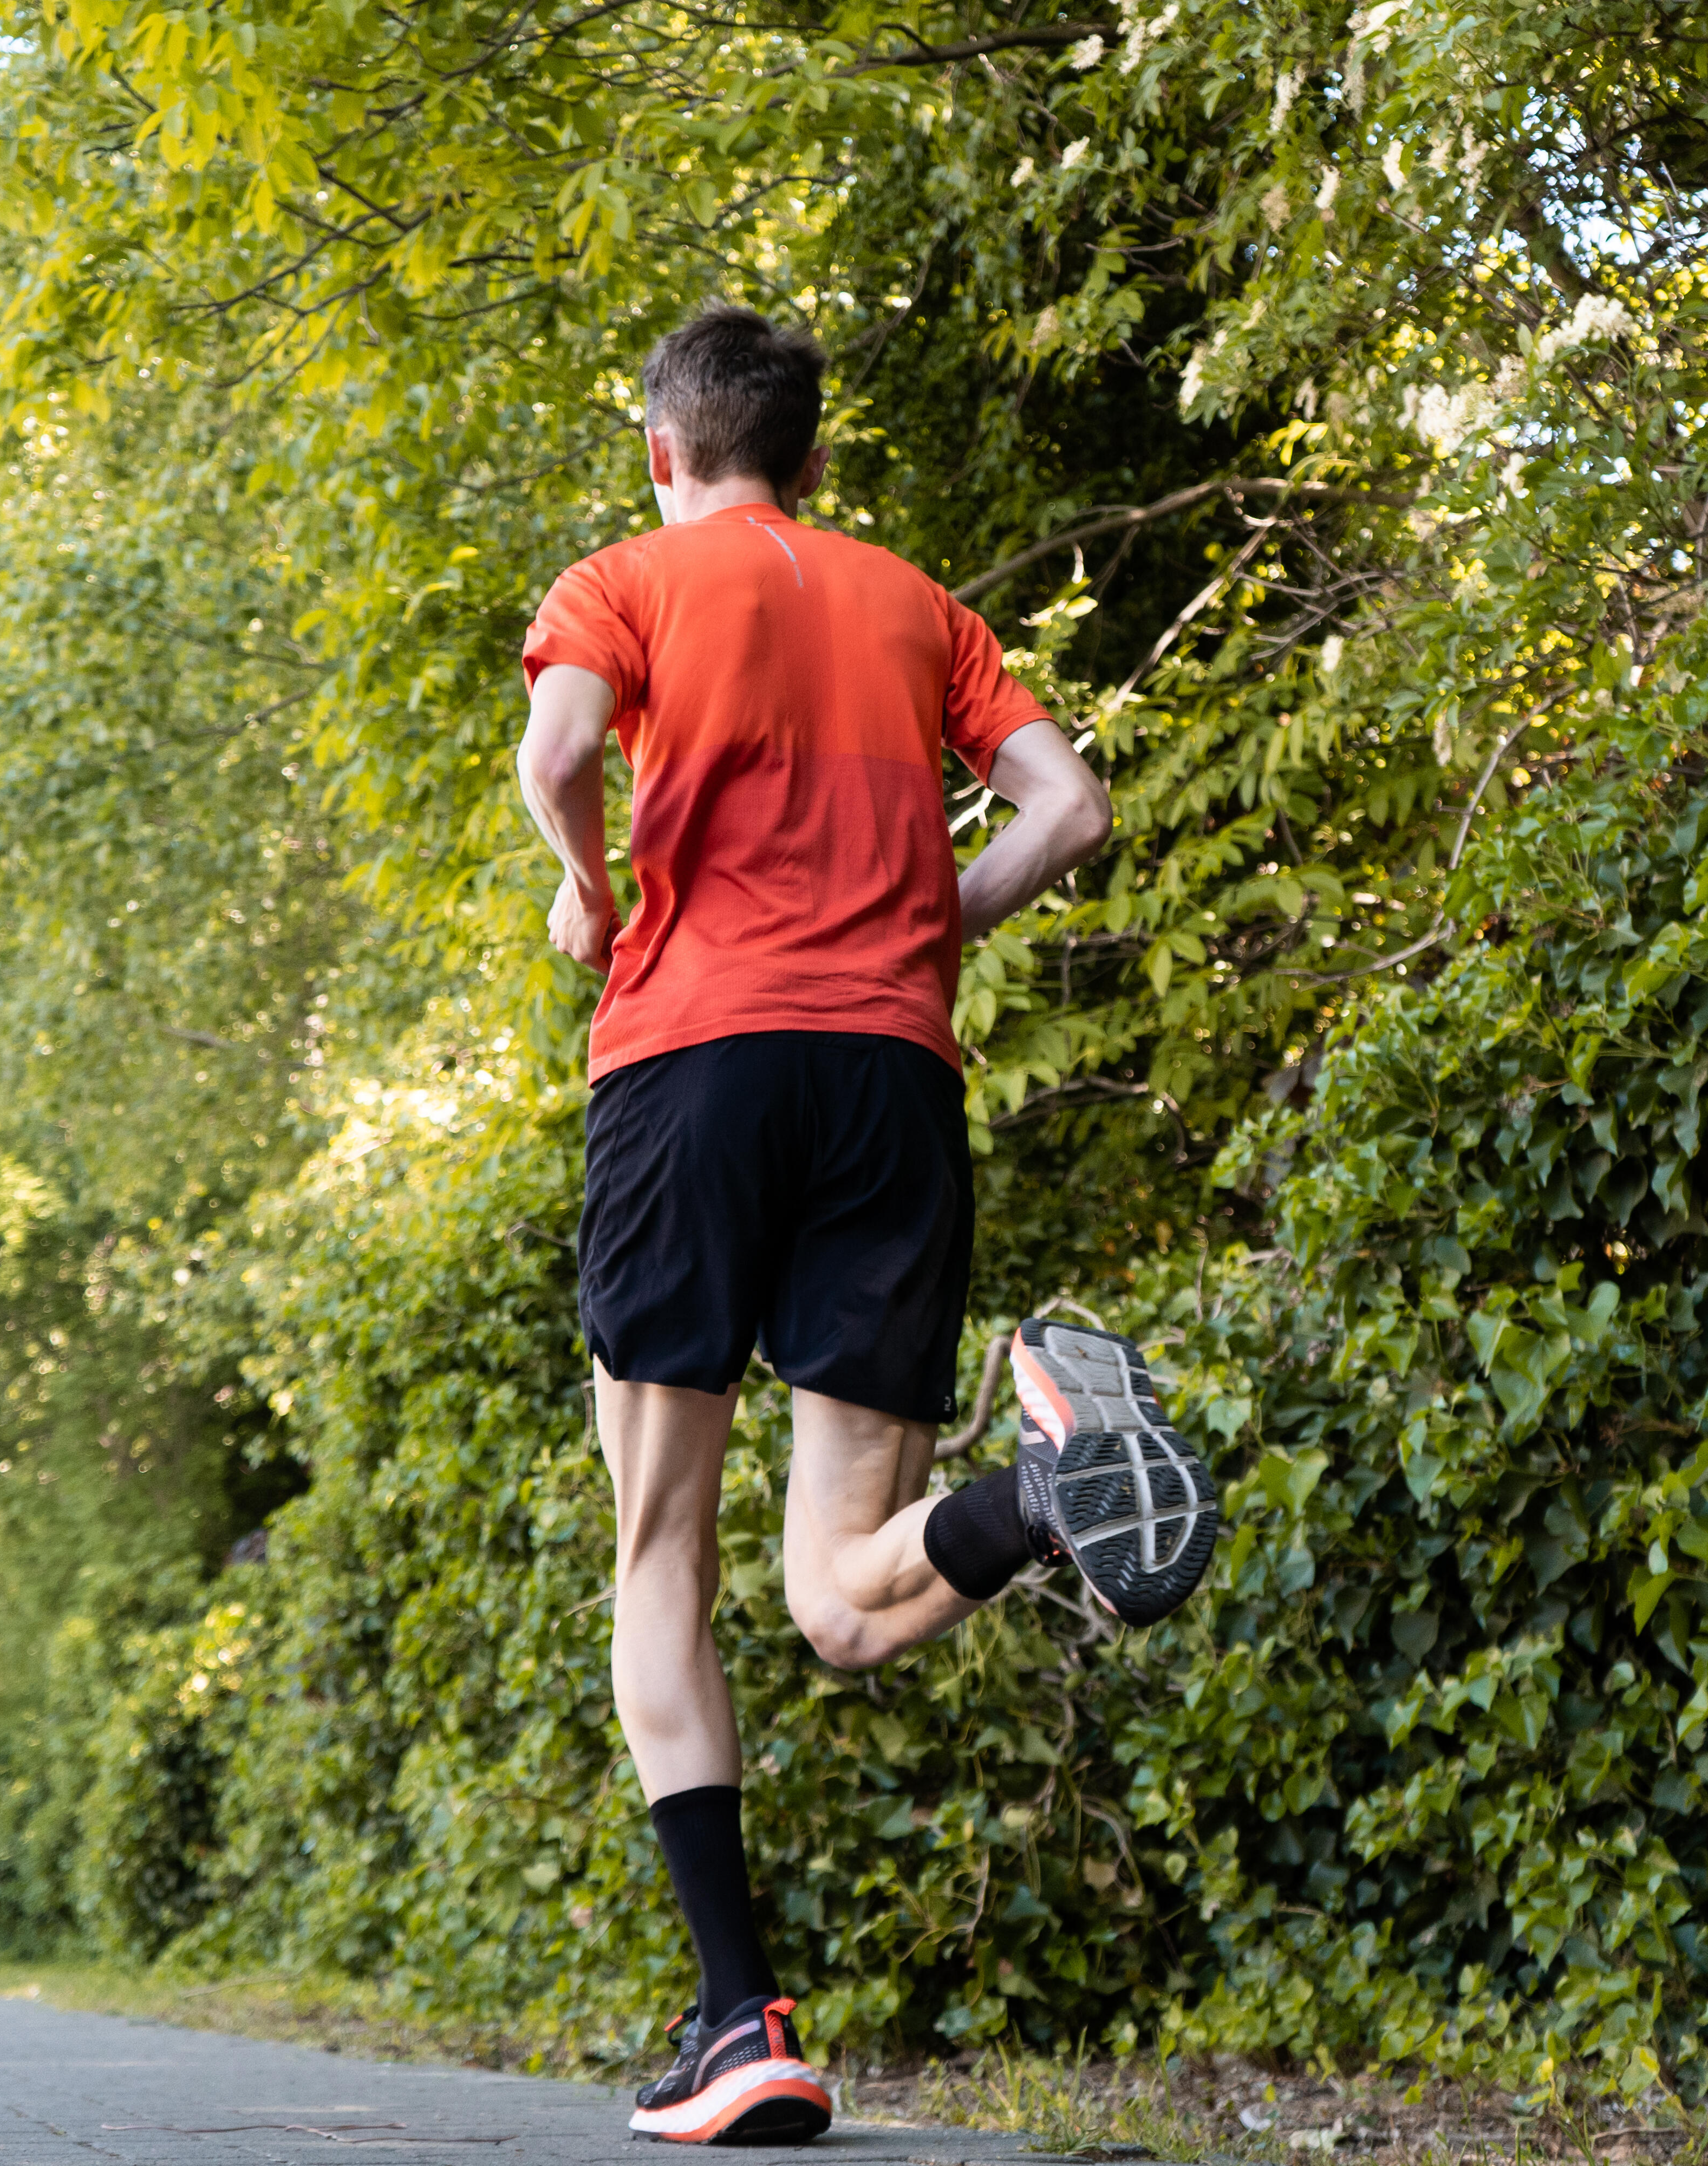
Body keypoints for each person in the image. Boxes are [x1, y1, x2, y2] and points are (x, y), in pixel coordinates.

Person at [514, 304, 1222, 2146]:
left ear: (663, 452)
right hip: (891, 1085)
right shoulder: (919, 606)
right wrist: (931, 925)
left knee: (660, 1551)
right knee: (843, 1603)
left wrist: (595, 894)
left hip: (690, 1074)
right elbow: (1069, 806)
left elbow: (560, 747)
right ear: (815, 464)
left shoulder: (627, 576)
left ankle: (739, 2016)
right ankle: (1042, 1495)